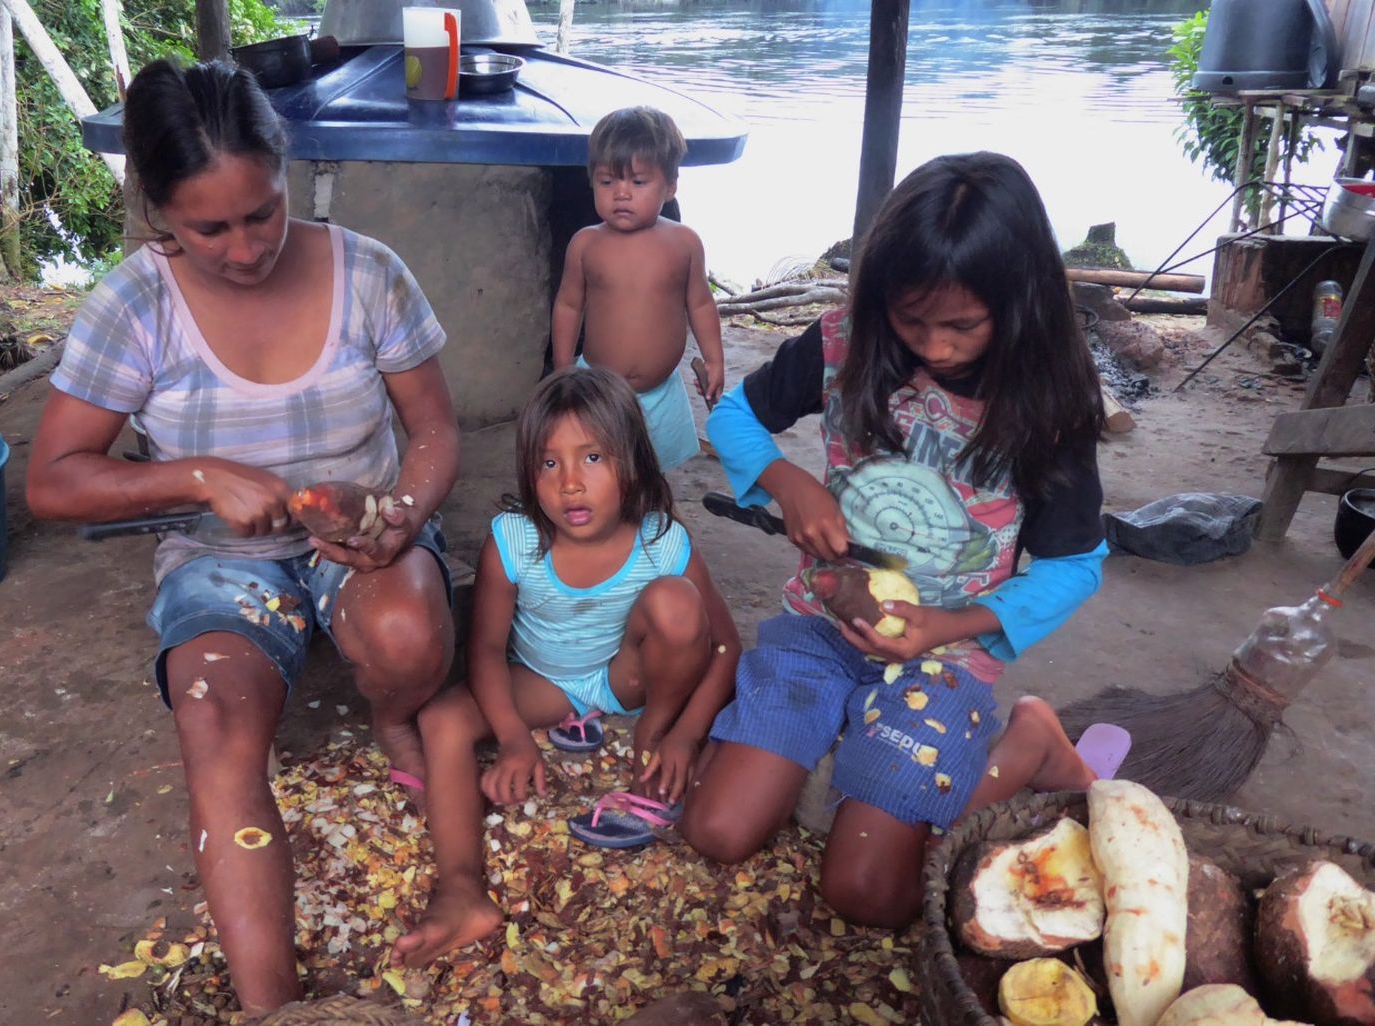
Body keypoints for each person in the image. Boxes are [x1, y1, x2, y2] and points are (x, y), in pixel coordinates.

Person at [25, 60, 458, 1015]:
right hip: (221, 563)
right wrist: (193, 475)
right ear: (157, 212)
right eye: (207, 227)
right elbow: (52, 482)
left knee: (408, 640)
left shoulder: (368, 270)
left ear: (284, 168)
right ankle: (278, 1008)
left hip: (359, 537)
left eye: (262, 212)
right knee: (214, 718)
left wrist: (400, 516)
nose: (244, 246)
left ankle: (394, 713)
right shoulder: (135, 305)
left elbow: (433, 431)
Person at [680, 152, 1112, 929]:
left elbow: (1076, 566)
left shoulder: (1047, 407)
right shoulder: (847, 339)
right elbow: (734, 417)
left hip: (943, 656)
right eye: (912, 320)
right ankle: (836, 733)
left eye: (962, 326)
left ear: (1019, 306)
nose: (934, 347)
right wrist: (789, 481)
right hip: (824, 621)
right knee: (716, 832)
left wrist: (952, 625)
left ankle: (1031, 743)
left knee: (869, 896)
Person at [391, 366, 741, 968]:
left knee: (677, 606)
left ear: (631, 461)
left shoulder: (660, 539)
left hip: (624, 676)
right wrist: (510, 740)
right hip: (543, 681)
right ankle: (460, 889)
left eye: (593, 458)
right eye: (549, 464)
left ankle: (647, 735)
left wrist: (681, 735)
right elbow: (483, 651)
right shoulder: (515, 540)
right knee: (444, 721)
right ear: (529, 471)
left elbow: (725, 648)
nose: (570, 485)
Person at [551, 106, 725, 471]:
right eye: (607, 181)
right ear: (592, 182)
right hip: (597, 389)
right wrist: (563, 366)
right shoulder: (585, 244)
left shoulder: (684, 243)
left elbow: (700, 304)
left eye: (638, 182)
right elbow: (569, 305)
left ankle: (649, 526)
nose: (621, 194)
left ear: (671, 185)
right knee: (598, 471)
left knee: (653, 475)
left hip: (659, 393)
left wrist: (714, 359)